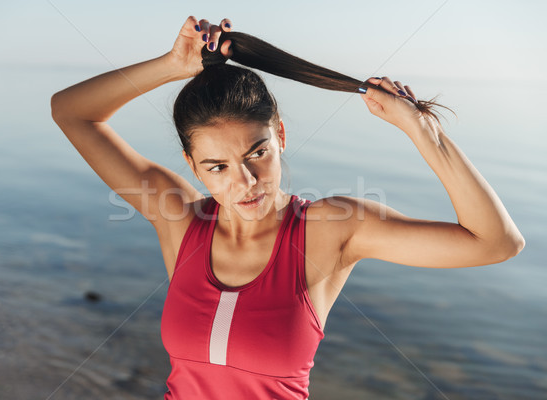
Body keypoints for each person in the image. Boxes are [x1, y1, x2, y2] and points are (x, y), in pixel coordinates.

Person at [51, 15, 525, 400]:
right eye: (217, 166)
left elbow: (496, 243)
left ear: (280, 136)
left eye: (257, 154)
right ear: (192, 166)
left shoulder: (331, 230)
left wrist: (423, 131)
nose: (246, 182)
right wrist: (172, 65)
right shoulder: (179, 221)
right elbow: (70, 111)